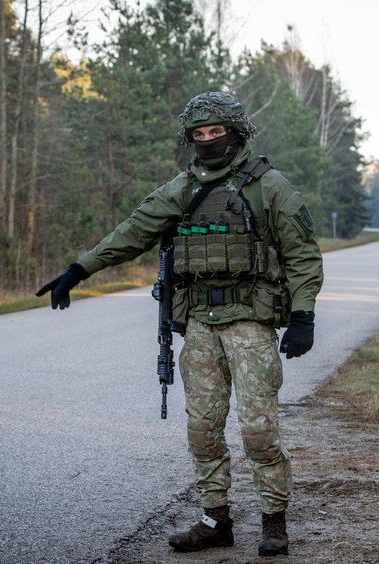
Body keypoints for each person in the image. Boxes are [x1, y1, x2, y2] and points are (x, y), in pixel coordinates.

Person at [36, 91, 323, 557]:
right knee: (202, 429)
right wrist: (79, 269)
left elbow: (302, 256)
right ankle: (216, 520)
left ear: (236, 132)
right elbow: (133, 231)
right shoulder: (183, 188)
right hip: (201, 325)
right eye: (199, 134)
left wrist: (304, 316)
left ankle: (274, 522)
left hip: (250, 321)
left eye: (216, 132)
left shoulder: (270, 187)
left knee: (258, 430)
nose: (207, 141)